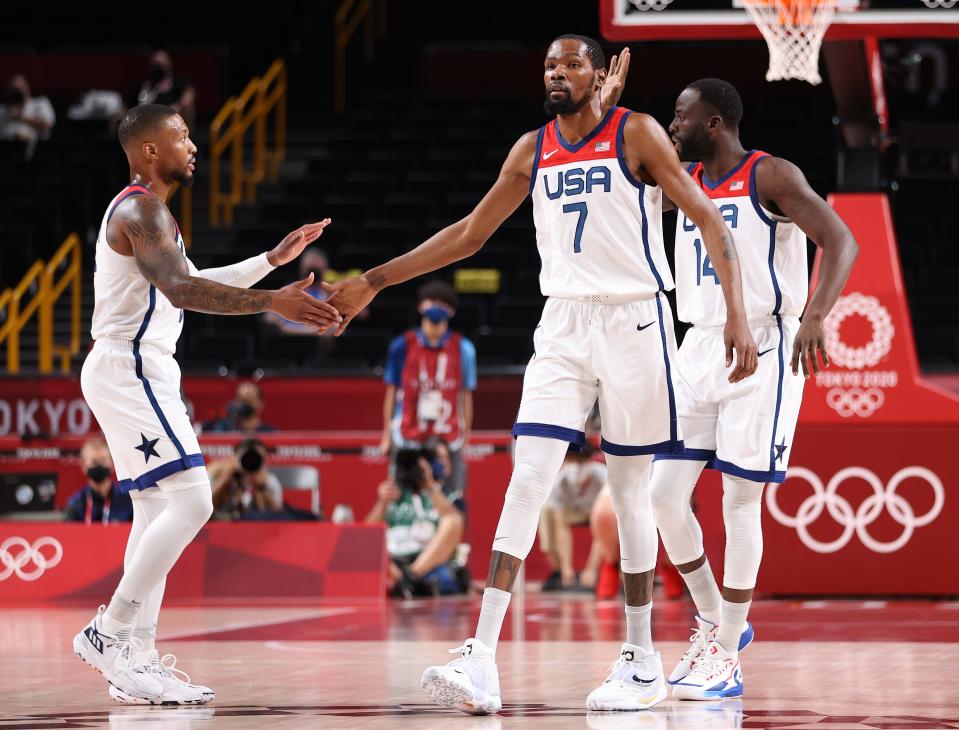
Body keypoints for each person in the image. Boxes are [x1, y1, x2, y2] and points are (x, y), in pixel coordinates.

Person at [325, 36, 758, 714]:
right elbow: (470, 232)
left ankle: (640, 658)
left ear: (596, 74)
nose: (557, 74)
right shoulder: (532, 149)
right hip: (561, 324)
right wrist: (375, 281)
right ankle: (481, 657)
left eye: (571, 64)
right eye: (549, 66)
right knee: (527, 474)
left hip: (635, 320)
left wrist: (734, 314)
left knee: (629, 491)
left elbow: (706, 219)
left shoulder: (637, 132)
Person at [72, 103, 341, 706]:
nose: (193, 145)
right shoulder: (143, 209)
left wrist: (271, 262)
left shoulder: (152, 215)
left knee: (154, 513)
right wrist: (274, 301)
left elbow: (192, 278)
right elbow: (185, 291)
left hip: (130, 366)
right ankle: (108, 631)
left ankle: (135, 657)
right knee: (194, 500)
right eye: (182, 136)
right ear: (148, 150)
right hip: (132, 366)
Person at [649, 78, 858, 700]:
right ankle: (718, 622)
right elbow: (619, 180)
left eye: (680, 116)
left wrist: (817, 314)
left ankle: (727, 656)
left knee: (739, 502)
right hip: (698, 345)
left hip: (763, 346)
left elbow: (841, 239)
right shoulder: (680, 181)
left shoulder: (770, 176)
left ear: (712, 123)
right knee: (662, 496)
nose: (672, 125)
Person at [380, 279, 476, 498]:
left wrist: (467, 437)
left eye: (442, 303)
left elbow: (466, 395)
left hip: (448, 434)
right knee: (402, 495)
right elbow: (391, 392)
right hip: (408, 433)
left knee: (452, 497)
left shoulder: (464, 349)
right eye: (431, 302)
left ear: (450, 311)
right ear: (421, 307)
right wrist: (386, 435)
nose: (436, 307)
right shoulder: (401, 346)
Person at [366, 444, 466, 598]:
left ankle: (409, 578)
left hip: (424, 558)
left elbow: (455, 522)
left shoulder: (441, 493)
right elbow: (366, 532)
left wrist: (429, 485)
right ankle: (405, 581)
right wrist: (382, 502)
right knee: (367, 539)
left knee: (453, 521)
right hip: (393, 561)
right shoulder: (393, 493)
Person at [538, 444, 606, 591]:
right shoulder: (559, 481)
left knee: (605, 522)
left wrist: (590, 570)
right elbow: (560, 523)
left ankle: (599, 572)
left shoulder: (602, 476)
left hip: (597, 511)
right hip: (572, 511)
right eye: (572, 460)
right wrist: (566, 569)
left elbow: (604, 525)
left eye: (582, 460)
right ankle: (560, 572)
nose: (577, 465)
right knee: (547, 511)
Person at [208, 439, 284, 520]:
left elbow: (277, 514)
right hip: (220, 523)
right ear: (236, 456)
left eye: (257, 458)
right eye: (246, 457)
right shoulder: (218, 472)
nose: (250, 461)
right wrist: (225, 477)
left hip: (255, 526)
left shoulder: (268, 480)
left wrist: (261, 487)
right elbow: (207, 504)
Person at [65, 437, 134, 524]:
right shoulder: (76, 503)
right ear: (83, 466)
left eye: (103, 461)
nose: (99, 466)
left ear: (112, 464)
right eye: (94, 462)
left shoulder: (128, 500)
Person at [135, 51, 195, 129]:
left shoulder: (178, 83)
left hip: (172, 118)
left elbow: (188, 95)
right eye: (155, 65)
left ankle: (185, 138)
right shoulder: (145, 86)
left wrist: (173, 110)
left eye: (160, 65)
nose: (158, 69)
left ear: (168, 65)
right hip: (149, 122)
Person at [0, 74, 55, 159]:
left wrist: (21, 117)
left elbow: (46, 126)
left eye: (21, 88)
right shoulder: (2, 110)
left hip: (37, 153)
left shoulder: (40, 103)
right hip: (5, 153)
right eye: (14, 89)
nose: (18, 92)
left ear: (28, 88)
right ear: (7, 91)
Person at [204, 382, 276, 433]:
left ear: (261, 404)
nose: (245, 406)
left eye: (249, 401)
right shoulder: (228, 431)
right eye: (242, 401)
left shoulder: (271, 433)